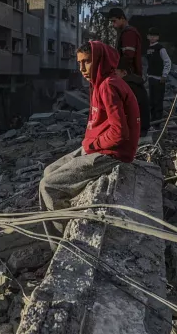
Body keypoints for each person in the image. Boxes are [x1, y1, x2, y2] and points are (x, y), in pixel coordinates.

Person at [39, 42, 140, 237]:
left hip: (112, 153)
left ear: (100, 61)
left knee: (48, 186)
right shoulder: (100, 83)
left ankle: (61, 240)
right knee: (49, 171)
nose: (82, 69)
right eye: (79, 63)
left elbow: (120, 133)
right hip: (99, 146)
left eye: (87, 62)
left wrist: (93, 145)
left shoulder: (109, 86)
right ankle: (66, 212)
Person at [115, 57, 150, 133]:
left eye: (115, 73)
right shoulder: (135, 83)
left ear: (124, 73)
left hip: (136, 130)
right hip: (142, 126)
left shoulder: (127, 86)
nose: (112, 76)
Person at [144, 28, 172, 123]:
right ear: (148, 37)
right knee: (151, 101)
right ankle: (152, 121)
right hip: (150, 78)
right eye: (151, 35)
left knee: (158, 101)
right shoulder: (148, 49)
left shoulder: (161, 48)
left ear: (158, 37)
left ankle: (158, 123)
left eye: (155, 35)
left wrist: (164, 75)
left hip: (159, 79)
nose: (152, 37)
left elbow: (167, 62)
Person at [108, 7, 143, 76]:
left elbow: (128, 56)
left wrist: (116, 67)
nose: (113, 24)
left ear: (122, 18)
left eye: (114, 21)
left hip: (128, 75)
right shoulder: (125, 32)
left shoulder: (129, 33)